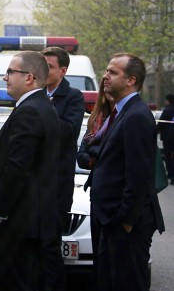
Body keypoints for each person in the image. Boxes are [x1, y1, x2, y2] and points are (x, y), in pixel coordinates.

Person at [0, 51, 61, 291]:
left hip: (20, 221)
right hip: (31, 219)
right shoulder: (40, 106)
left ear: (28, 77)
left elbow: (17, 167)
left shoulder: (30, 110)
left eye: (10, 72)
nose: (5, 77)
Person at [90, 53, 164, 291]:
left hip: (124, 223)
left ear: (131, 80)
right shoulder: (122, 112)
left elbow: (139, 174)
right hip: (111, 219)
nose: (105, 77)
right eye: (106, 71)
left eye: (113, 72)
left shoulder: (136, 116)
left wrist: (126, 221)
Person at [41, 46, 85, 290]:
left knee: (50, 246)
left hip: (57, 185)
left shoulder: (73, 97)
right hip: (34, 185)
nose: (43, 71)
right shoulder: (35, 94)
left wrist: (44, 107)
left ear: (63, 70)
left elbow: (68, 133)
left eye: (49, 67)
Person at [77, 78, 115, 171]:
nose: (109, 91)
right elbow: (81, 157)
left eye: (113, 87)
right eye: (106, 87)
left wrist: (93, 153)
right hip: (96, 181)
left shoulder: (124, 116)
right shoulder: (96, 118)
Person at [158, 93, 174, 183]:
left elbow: (161, 123)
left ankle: (171, 175)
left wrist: (154, 131)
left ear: (168, 100)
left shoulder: (167, 110)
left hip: (168, 138)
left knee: (168, 156)